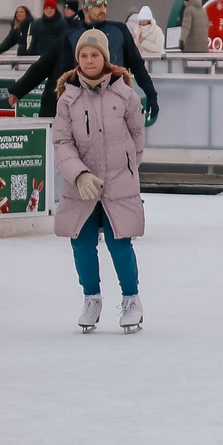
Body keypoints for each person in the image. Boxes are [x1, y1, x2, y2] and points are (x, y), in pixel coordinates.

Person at [51, 28, 147, 333]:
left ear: (105, 58)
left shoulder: (125, 95)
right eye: (83, 55)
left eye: (95, 55)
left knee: (120, 243)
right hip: (82, 183)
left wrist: (128, 168)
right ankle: (91, 298)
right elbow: (62, 142)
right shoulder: (68, 98)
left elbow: (137, 137)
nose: (89, 60)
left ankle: (131, 300)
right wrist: (78, 174)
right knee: (82, 243)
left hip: (119, 179)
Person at [11, 0, 158, 123]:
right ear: (86, 8)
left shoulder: (119, 31)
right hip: (82, 108)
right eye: (98, 6)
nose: (103, 10)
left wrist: (151, 95)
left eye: (104, 5)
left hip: (114, 104)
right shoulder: (71, 36)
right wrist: (18, 91)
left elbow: (137, 65)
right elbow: (43, 66)